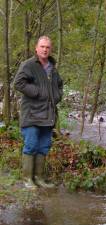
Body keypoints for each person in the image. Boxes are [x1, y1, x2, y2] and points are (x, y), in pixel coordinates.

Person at [14, 36, 63, 189]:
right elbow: (18, 83)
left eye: (47, 47)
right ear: (36, 48)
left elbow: (59, 86)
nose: (45, 49)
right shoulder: (29, 65)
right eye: (42, 46)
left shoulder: (52, 68)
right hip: (32, 114)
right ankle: (27, 179)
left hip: (48, 115)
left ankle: (39, 178)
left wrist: (56, 97)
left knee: (44, 146)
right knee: (31, 145)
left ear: (50, 49)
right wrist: (38, 92)